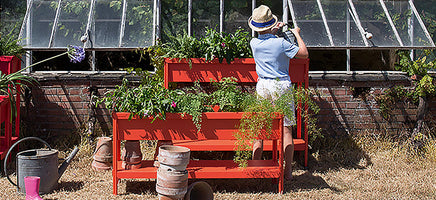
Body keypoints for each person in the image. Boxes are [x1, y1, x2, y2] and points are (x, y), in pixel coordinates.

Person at [248, 5, 308, 180]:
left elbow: (267, 39)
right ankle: (287, 172)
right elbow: (303, 54)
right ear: (272, 25)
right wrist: (296, 33)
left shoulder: (254, 43)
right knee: (286, 129)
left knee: (259, 128)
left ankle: (255, 167)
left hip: (263, 86)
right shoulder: (281, 43)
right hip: (280, 86)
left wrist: (274, 29)